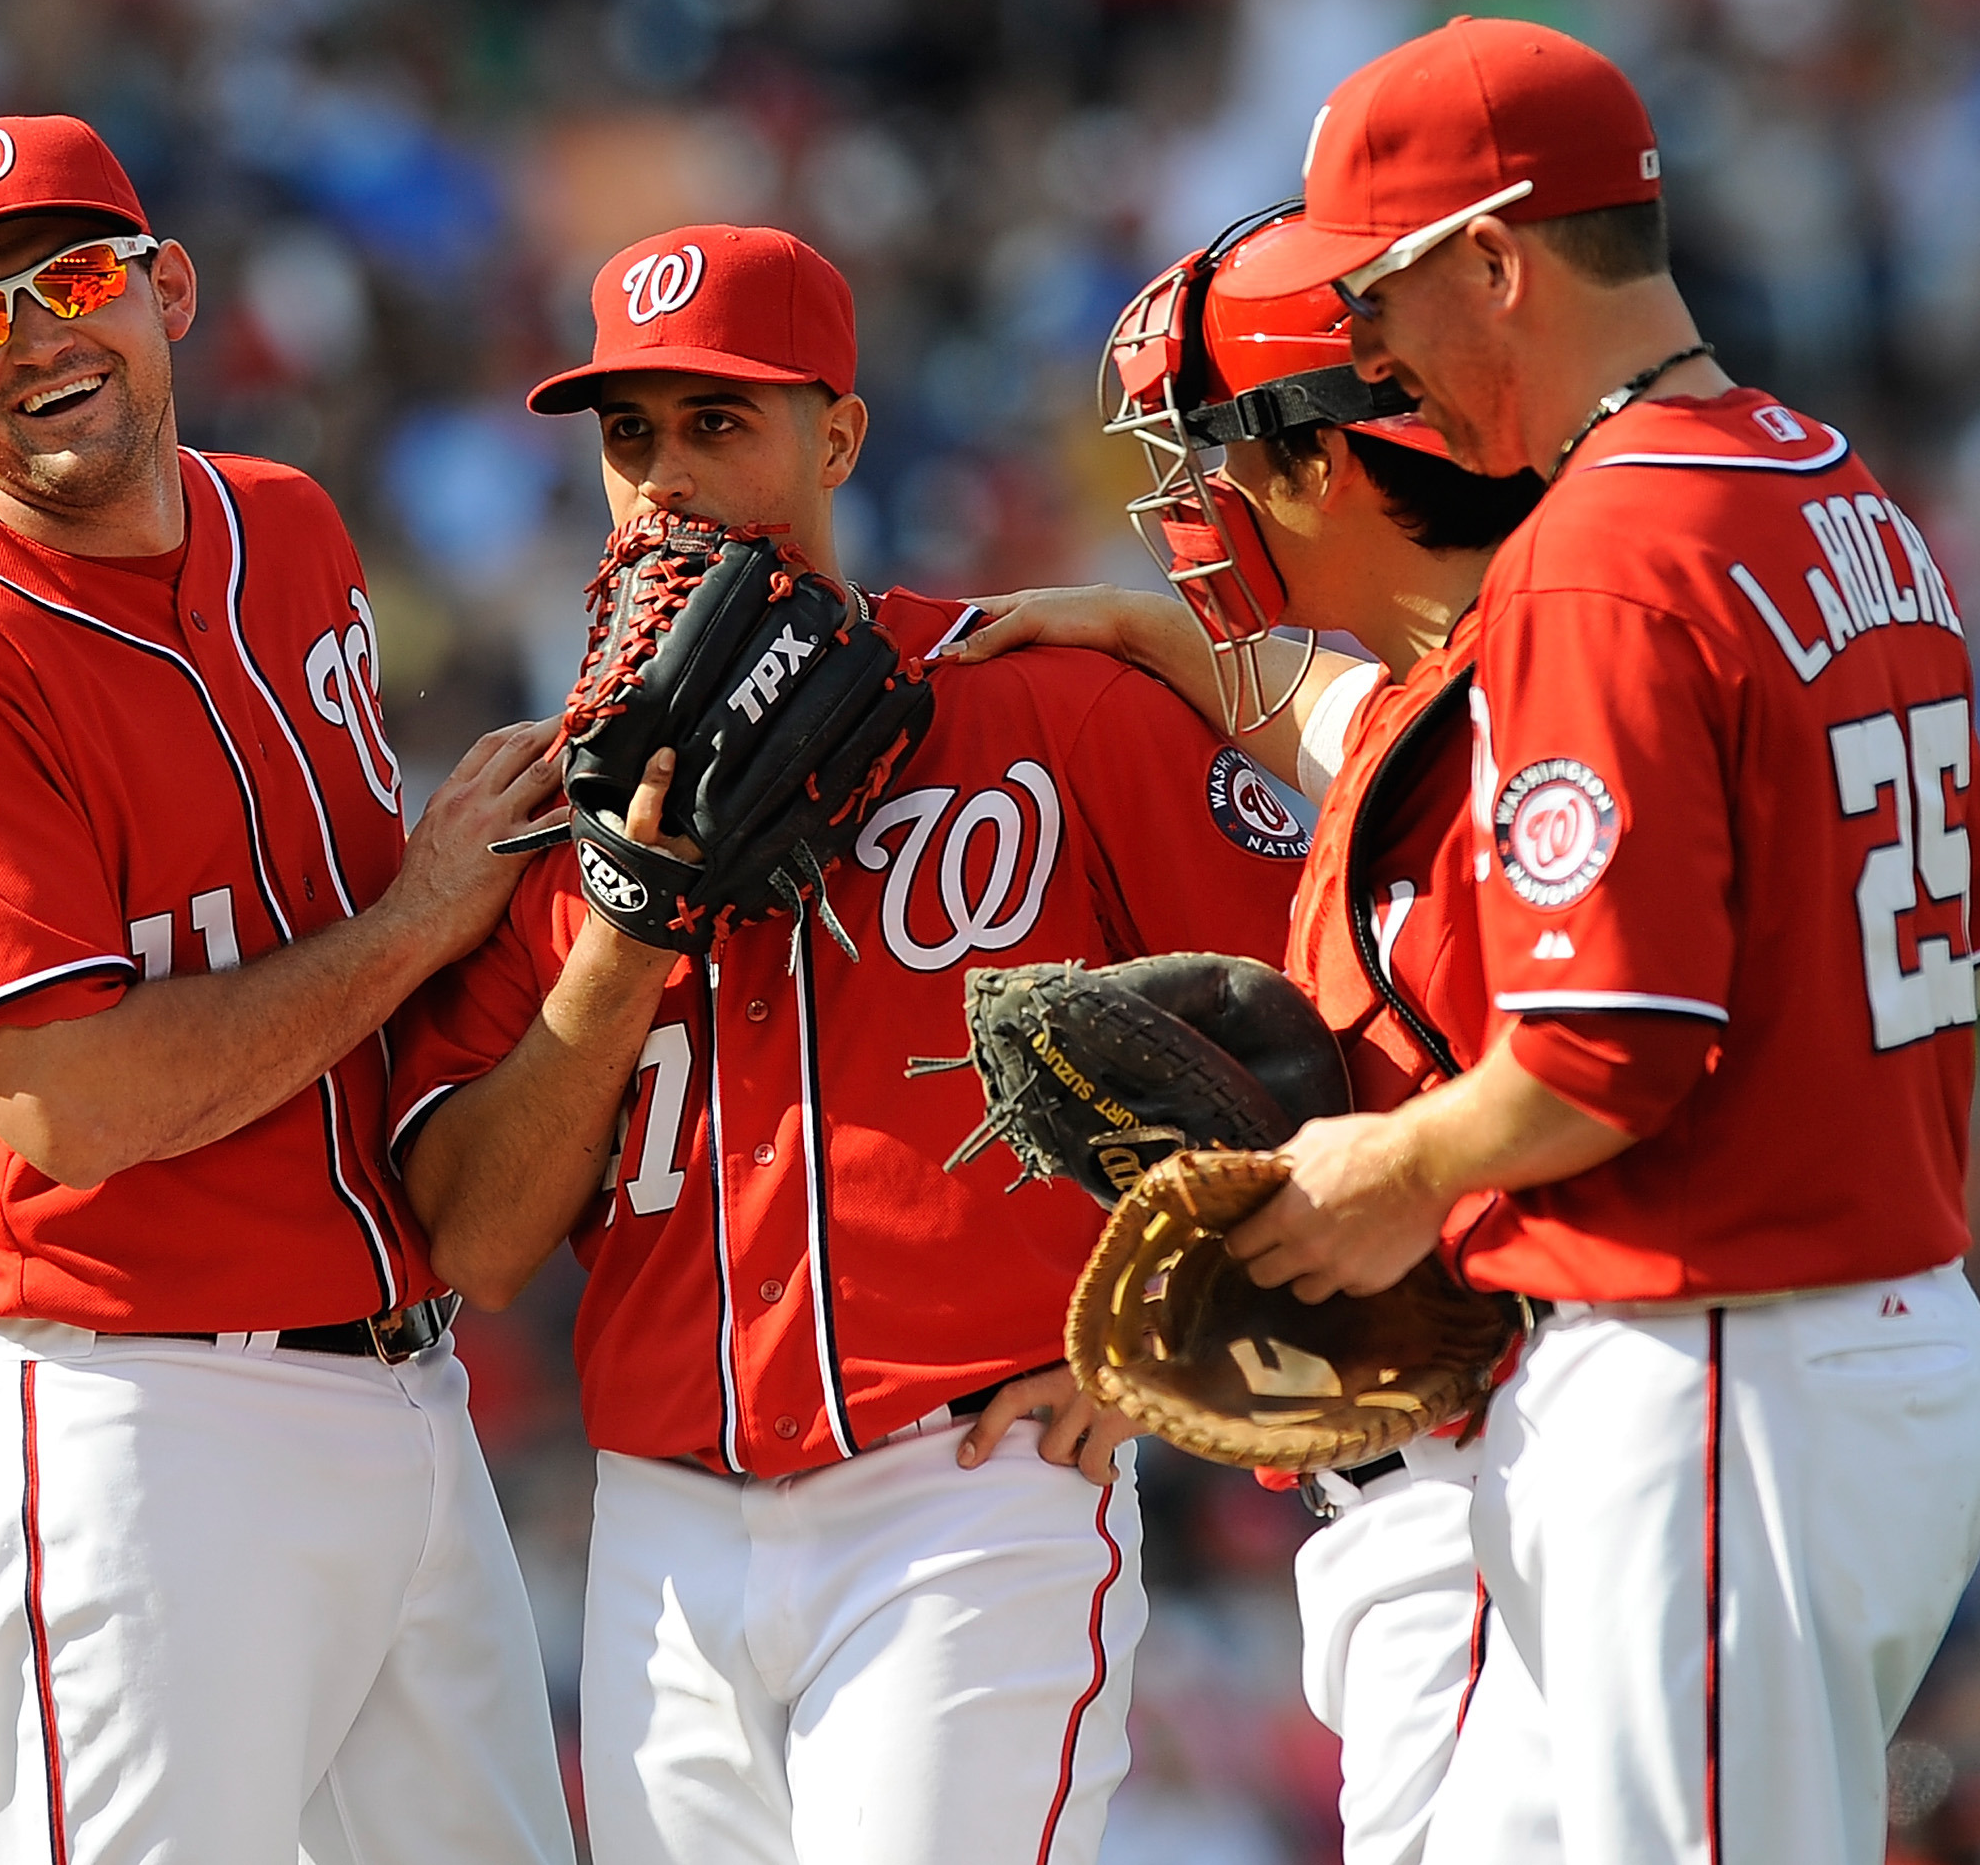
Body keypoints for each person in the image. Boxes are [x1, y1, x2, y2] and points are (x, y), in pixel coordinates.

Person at [386, 223, 1312, 1865]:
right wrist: (624, 920)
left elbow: (1329, 1022)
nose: (664, 479)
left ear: (839, 434)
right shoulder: (543, 803)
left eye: (716, 423)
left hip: (963, 1491)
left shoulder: (1038, 696)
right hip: (661, 1538)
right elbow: (473, 1233)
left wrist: (1166, 1327)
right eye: (629, 436)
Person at [1202, 19, 1980, 1863]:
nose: (1371, 357)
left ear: (1493, 257)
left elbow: (1602, 1050)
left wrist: (1383, 1161)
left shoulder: (1596, 551)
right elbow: (1960, 960)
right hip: (1849, 1341)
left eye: (1384, 296)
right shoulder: (1838, 493)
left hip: (1723, 1359)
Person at [0, 114, 574, 1865]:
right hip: (141, 1422)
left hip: (408, 1392)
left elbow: (378, 917)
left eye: (73, 282)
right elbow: (77, 1102)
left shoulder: (286, 528)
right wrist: (427, 918)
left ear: (169, 291)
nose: (38, 340)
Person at [954, 202, 1556, 1864]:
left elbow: (1609, 1076)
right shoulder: (1483, 685)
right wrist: (1145, 632)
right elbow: (1341, 716)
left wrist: (1329, 1202)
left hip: (1519, 1484)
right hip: (1463, 1491)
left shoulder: (1546, 711)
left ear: (1330, 462)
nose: (1182, 507)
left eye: (1208, 455)